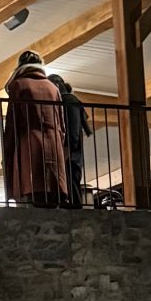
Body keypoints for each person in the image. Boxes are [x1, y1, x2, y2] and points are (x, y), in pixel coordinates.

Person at [1, 51, 68, 207]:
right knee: (53, 202)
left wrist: (8, 149)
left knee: (31, 198)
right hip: (54, 147)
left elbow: (12, 121)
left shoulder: (18, 85)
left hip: (29, 147)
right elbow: (62, 125)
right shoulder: (53, 88)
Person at [49, 71, 90, 207]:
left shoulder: (68, 101)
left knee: (71, 184)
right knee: (69, 185)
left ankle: (75, 212)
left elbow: (72, 132)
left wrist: (66, 151)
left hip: (69, 154)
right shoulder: (68, 101)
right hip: (69, 153)